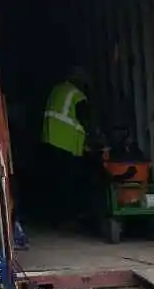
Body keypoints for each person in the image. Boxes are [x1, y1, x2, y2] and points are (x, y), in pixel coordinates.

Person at [38, 67, 96, 226]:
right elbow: (86, 122)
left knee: (54, 181)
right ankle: (68, 217)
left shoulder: (57, 89)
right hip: (67, 144)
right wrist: (92, 141)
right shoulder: (78, 96)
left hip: (50, 139)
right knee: (69, 182)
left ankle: (54, 217)